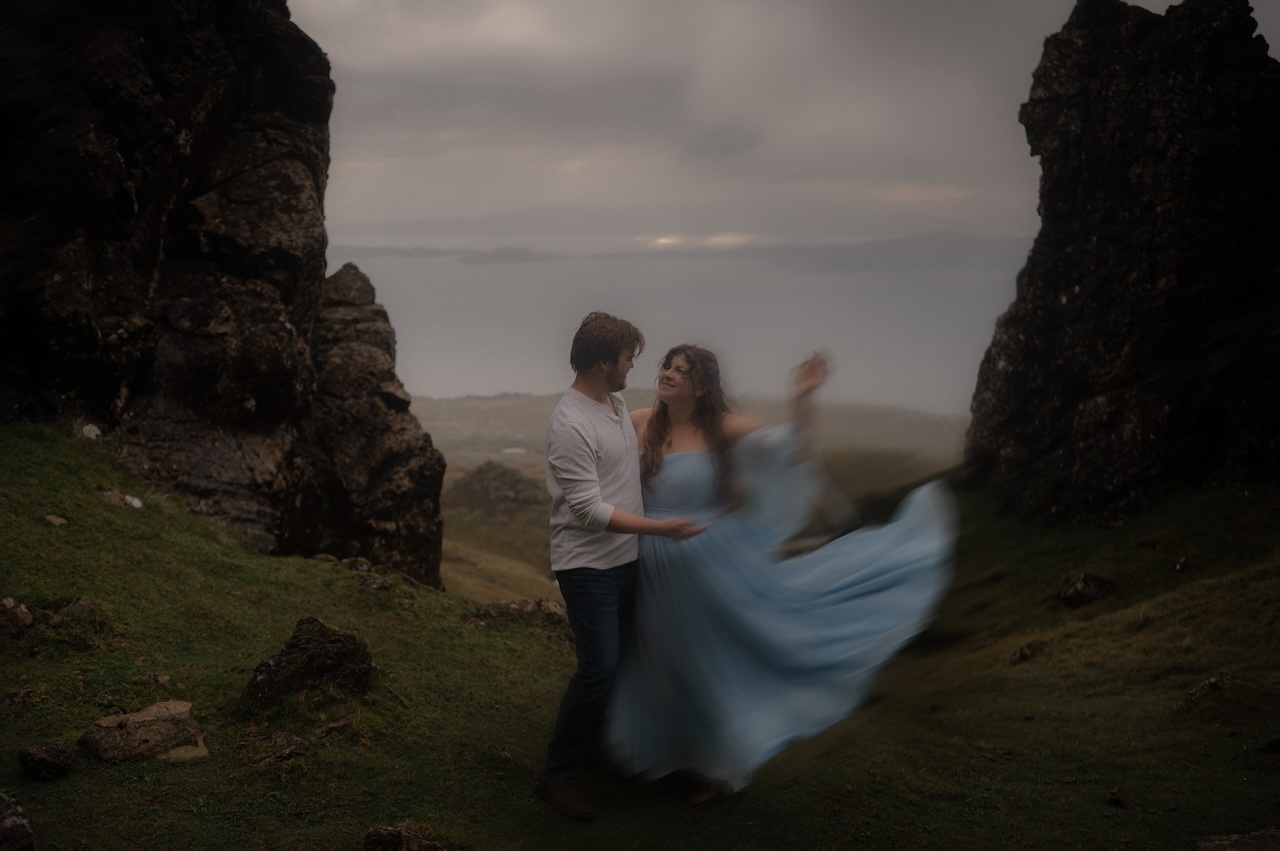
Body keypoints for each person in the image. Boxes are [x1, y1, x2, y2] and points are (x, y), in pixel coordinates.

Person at [606, 344, 956, 803]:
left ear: (702, 386)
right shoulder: (639, 421)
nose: (668, 375)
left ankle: (713, 767)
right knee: (659, 659)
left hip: (708, 565)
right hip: (651, 561)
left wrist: (803, 397)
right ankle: (665, 752)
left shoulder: (723, 428)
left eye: (680, 370)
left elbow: (790, 450)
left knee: (704, 662)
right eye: (666, 367)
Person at [536, 313, 705, 822]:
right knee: (600, 668)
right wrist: (662, 529)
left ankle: (609, 747)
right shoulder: (570, 424)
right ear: (603, 361)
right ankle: (559, 773)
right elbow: (587, 511)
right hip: (588, 567)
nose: (634, 365)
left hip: (626, 560)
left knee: (627, 662)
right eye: (628, 357)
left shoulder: (613, 402)